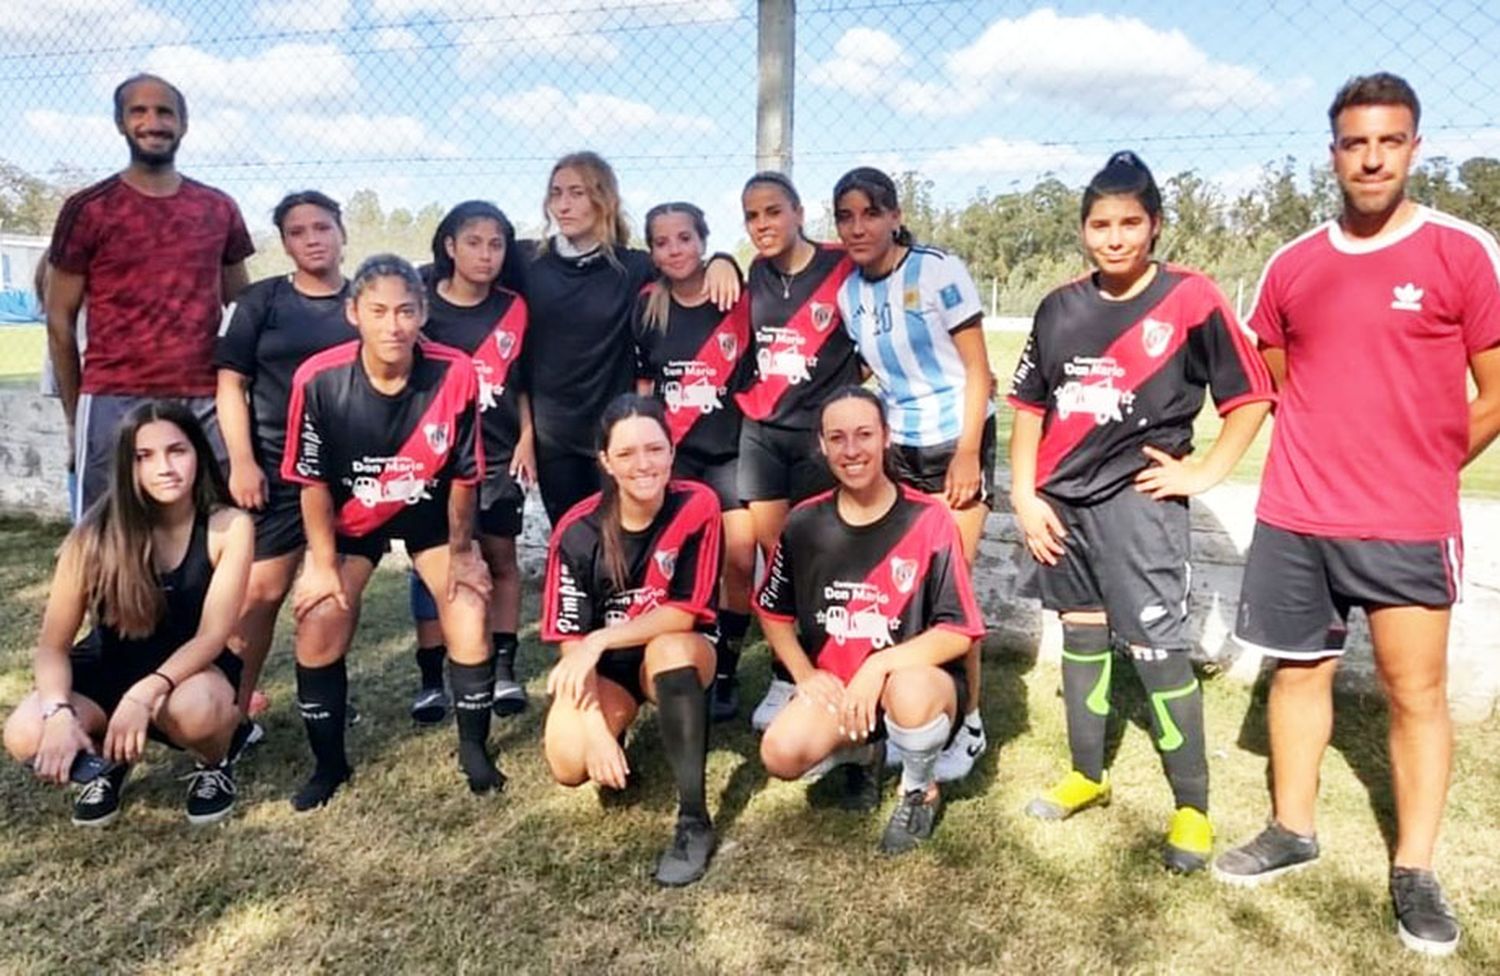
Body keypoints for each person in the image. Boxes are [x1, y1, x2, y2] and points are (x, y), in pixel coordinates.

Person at [1212, 74, 1500, 955]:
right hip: (1298, 512)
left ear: (1415, 147)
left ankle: (1414, 868)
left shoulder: (1463, 251)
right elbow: (1272, 367)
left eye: (1389, 141)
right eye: (1354, 142)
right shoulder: (1294, 263)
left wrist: (1422, 460)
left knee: (1416, 694)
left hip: (1408, 519)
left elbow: (1495, 390)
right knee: (1299, 671)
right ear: (1333, 151)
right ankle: (1292, 830)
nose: (1371, 158)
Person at [1008, 151, 1275, 873]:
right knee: (1084, 639)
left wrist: (1206, 469)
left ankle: (1192, 810)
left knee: (1158, 653)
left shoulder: (1190, 299)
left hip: (1138, 506)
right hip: (1061, 508)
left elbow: (1251, 396)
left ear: (1154, 226)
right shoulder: (1059, 306)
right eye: (1100, 224)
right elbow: (1029, 407)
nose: (1115, 238)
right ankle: (1086, 776)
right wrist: (1025, 494)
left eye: (1130, 223)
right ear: (1083, 230)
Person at [281, 254, 499, 809]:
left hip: (430, 516)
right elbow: (310, 481)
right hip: (353, 518)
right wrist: (322, 565)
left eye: (405, 310)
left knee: (469, 609)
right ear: (353, 312)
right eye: (378, 310)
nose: (393, 325)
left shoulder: (455, 371)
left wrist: (463, 551)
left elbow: (466, 475)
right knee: (320, 620)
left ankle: (475, 751)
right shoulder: (319, 378)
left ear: (423, 313)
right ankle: (329, 765)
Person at [757, 387, 985, 854]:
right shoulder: (803, 523)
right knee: (778, 753)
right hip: (844, 688)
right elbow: (773, 612)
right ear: (821, 445)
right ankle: (862, 750)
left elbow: (959, 631)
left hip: (917, 683)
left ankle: (920, 788)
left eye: (864, 434)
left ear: (886, 437)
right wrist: (804, 675)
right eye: (837, 438)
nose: (851, 449)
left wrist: (878, 666)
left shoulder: (929, 518)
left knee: (912, 692)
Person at [4, 402, 253, 826]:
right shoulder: (93, 534)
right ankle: (108, 761)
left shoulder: (228, 526)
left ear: (198, 453)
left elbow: (213, 635)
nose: (165, 468)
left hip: (190, 672)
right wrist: (58, 712)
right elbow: (51, 647)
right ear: (127, 466)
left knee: (200, 709)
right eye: (145, 456)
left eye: (177, 450)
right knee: (25, 732)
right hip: (108, 667)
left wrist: (143, 695)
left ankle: (215, 762)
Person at [831, 166, 995, 782]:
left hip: (956, 439)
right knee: (903, 591)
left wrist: (968, 452)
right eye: (845, 217)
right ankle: (908, 713)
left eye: (870, 213)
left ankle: (970, 723)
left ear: (895, 215)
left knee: (954, 591)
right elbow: (872, 372)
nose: (858, 227)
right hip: (896, 446)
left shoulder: (936, 269)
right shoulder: (849, 293)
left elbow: (978, 370)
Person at [46, 73, 254, 521]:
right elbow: (59, 320)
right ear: (121, 123)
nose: (153, 122)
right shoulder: (89, 209)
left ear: (183, 124)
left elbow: (242, 311)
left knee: (211, 530)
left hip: (202, 399)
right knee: (104, 538)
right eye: (138, 111)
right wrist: (74, 413)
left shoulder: (218, 208)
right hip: (112, 398)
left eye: (164, 112)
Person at [540, 394, 723, 886]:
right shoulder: (577, 530)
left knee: (670, 649)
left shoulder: (698, 504)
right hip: (610, 669)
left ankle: (693, 820)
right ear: (605, 461)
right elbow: (572, 646)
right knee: (568, 763)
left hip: (678, 652)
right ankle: (616, 739)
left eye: (654, 449)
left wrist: (601, 638)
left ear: (671, 450)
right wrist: (597, 728)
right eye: (626, 454)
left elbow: (684, 614)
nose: (643, 464)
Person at [522, 151, 739, 526]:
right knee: (574, 538)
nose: (563, 204)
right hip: (553, 436)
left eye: (576, 192)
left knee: (624, 536)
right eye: (555, 193)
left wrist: (724, 259)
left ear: (603, 199)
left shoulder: (634, 267)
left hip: (615, 431)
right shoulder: (526, 261)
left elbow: (684, 262)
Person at [215, 191, 352, 731]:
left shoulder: (365, 302)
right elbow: (231, 385)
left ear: (342, 232)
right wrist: (241, 462)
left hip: (346, 475)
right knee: (259, 592)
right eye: (297, 232)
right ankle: (231, 709)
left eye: (322, 227)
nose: (312, 239)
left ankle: (326, 696)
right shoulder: (260, 302)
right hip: (276, 470)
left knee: (336, 590)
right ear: (285, 242)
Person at [737, 171, 860, 730]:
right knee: (776, 558)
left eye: (772, 212)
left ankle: (833, 666)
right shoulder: (752, 273)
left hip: (818, 438)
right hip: (762, 433)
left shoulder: (841, 264)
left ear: (797, 211)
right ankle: (787, 675)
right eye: (752, 216)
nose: (763, 224)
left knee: (821, 556)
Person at [405, 201, 535, 725]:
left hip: (500, 453)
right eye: (474, 242)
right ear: (449, 246)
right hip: (433, 457)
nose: (486, 254)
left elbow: (523, 381)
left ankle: (504, 668)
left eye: (497, 243)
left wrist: (528, 437)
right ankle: (432, 679)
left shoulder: (515, 307)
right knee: (432, 567)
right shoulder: (420, 305)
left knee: (501, 558)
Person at [634, 201, 756, 723]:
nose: (674, 250)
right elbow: (643, 390)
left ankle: (726, 668)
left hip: (731, 453)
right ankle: (687, 663)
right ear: (652, 252)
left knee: (739, 560)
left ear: (703, 240)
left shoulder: (733, 295)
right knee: (681, 567)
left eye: (684, 238)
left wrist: (729, 260)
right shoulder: (647, 307)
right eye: (662, 243)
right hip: (675, 458)